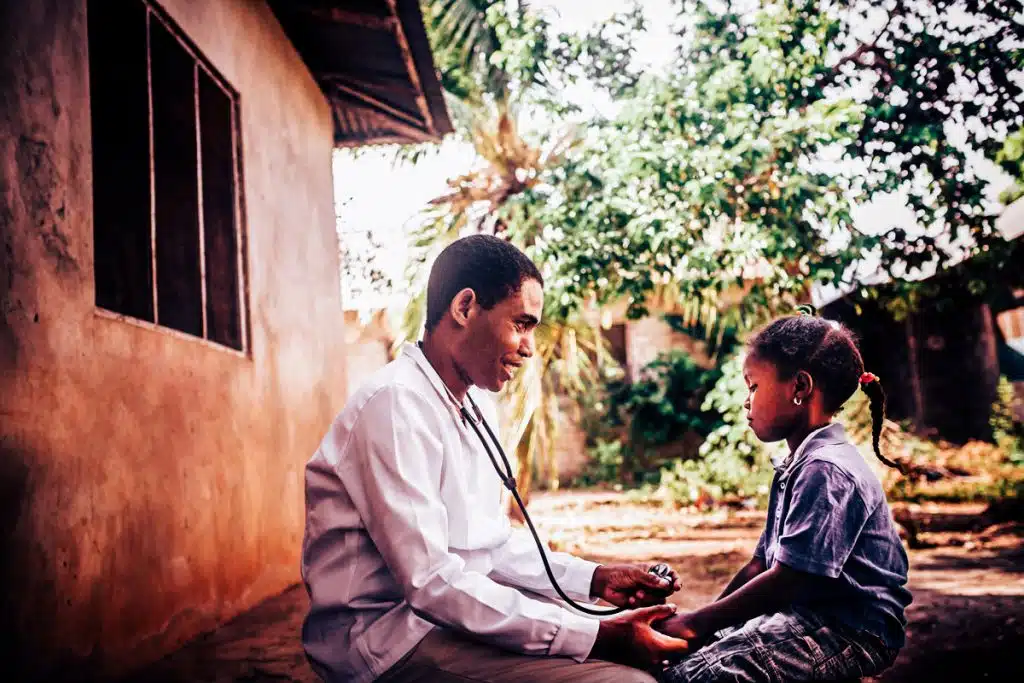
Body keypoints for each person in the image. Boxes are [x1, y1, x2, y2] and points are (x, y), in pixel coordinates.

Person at [301, 234, 691, 683]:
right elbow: (431, 582)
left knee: (657, 641)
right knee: (628, 681)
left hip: (443, 615)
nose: (528, 347)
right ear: (465, 308)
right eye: (521, 324)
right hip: (387, 643)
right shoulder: (394, 404)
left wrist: (595, 579)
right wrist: (599, 635)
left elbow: (489, 544)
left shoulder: (474, 403)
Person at [657, 313, 912, 682]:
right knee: (685, 659)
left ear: (800, 387)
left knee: (695, 677)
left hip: (850, 628)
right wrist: (703, 627)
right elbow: (761, 565)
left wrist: (696, 624)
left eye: (754, 387)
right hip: (804, 614)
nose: (747, 402)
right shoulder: (799, 463)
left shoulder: (826, 469)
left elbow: (790, 580)